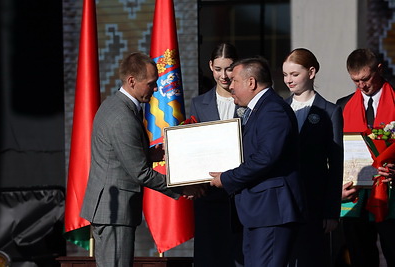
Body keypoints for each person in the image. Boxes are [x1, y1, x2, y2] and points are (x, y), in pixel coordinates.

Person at [80, 52, 204, 267]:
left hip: (113, 210)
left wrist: (149, 153)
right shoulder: (122, 116)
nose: (156, 89)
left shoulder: (116, 106)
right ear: (131, 81)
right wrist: (183, 189)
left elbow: (118, 155)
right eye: (151, 84)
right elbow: (139, 172)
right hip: (114, 212)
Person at [209, 57, 306, 267]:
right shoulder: (258, 110)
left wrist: (227, 178)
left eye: (234, 80)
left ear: (251, 82)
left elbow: (265, 158)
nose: (229, 84)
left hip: (270, 212)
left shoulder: (272, 110)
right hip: (257, 213)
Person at [282, 48, 344, 267]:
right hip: (284, 200)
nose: (289, 80)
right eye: (285, 75)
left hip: (314, 200)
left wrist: (332, 211)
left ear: (311, 72)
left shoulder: (330, 111)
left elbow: (336, 164)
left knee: (312, 258)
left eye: (294, 74)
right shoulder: (280, 109)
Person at [336, 48, 395, 267]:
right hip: (356, 196)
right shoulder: (342, 106)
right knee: (360, 258)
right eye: (355, 81)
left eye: (366, 78)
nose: (362, 85)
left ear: (379, 69)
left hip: (391, 194)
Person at [190, 43, 243, 267]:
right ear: (210, 66)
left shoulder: (247, 101)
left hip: (240, 194)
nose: (223, 75)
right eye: (218, 69)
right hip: (209, 195)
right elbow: (193, 147)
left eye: (229, 69)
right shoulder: (198, 104)